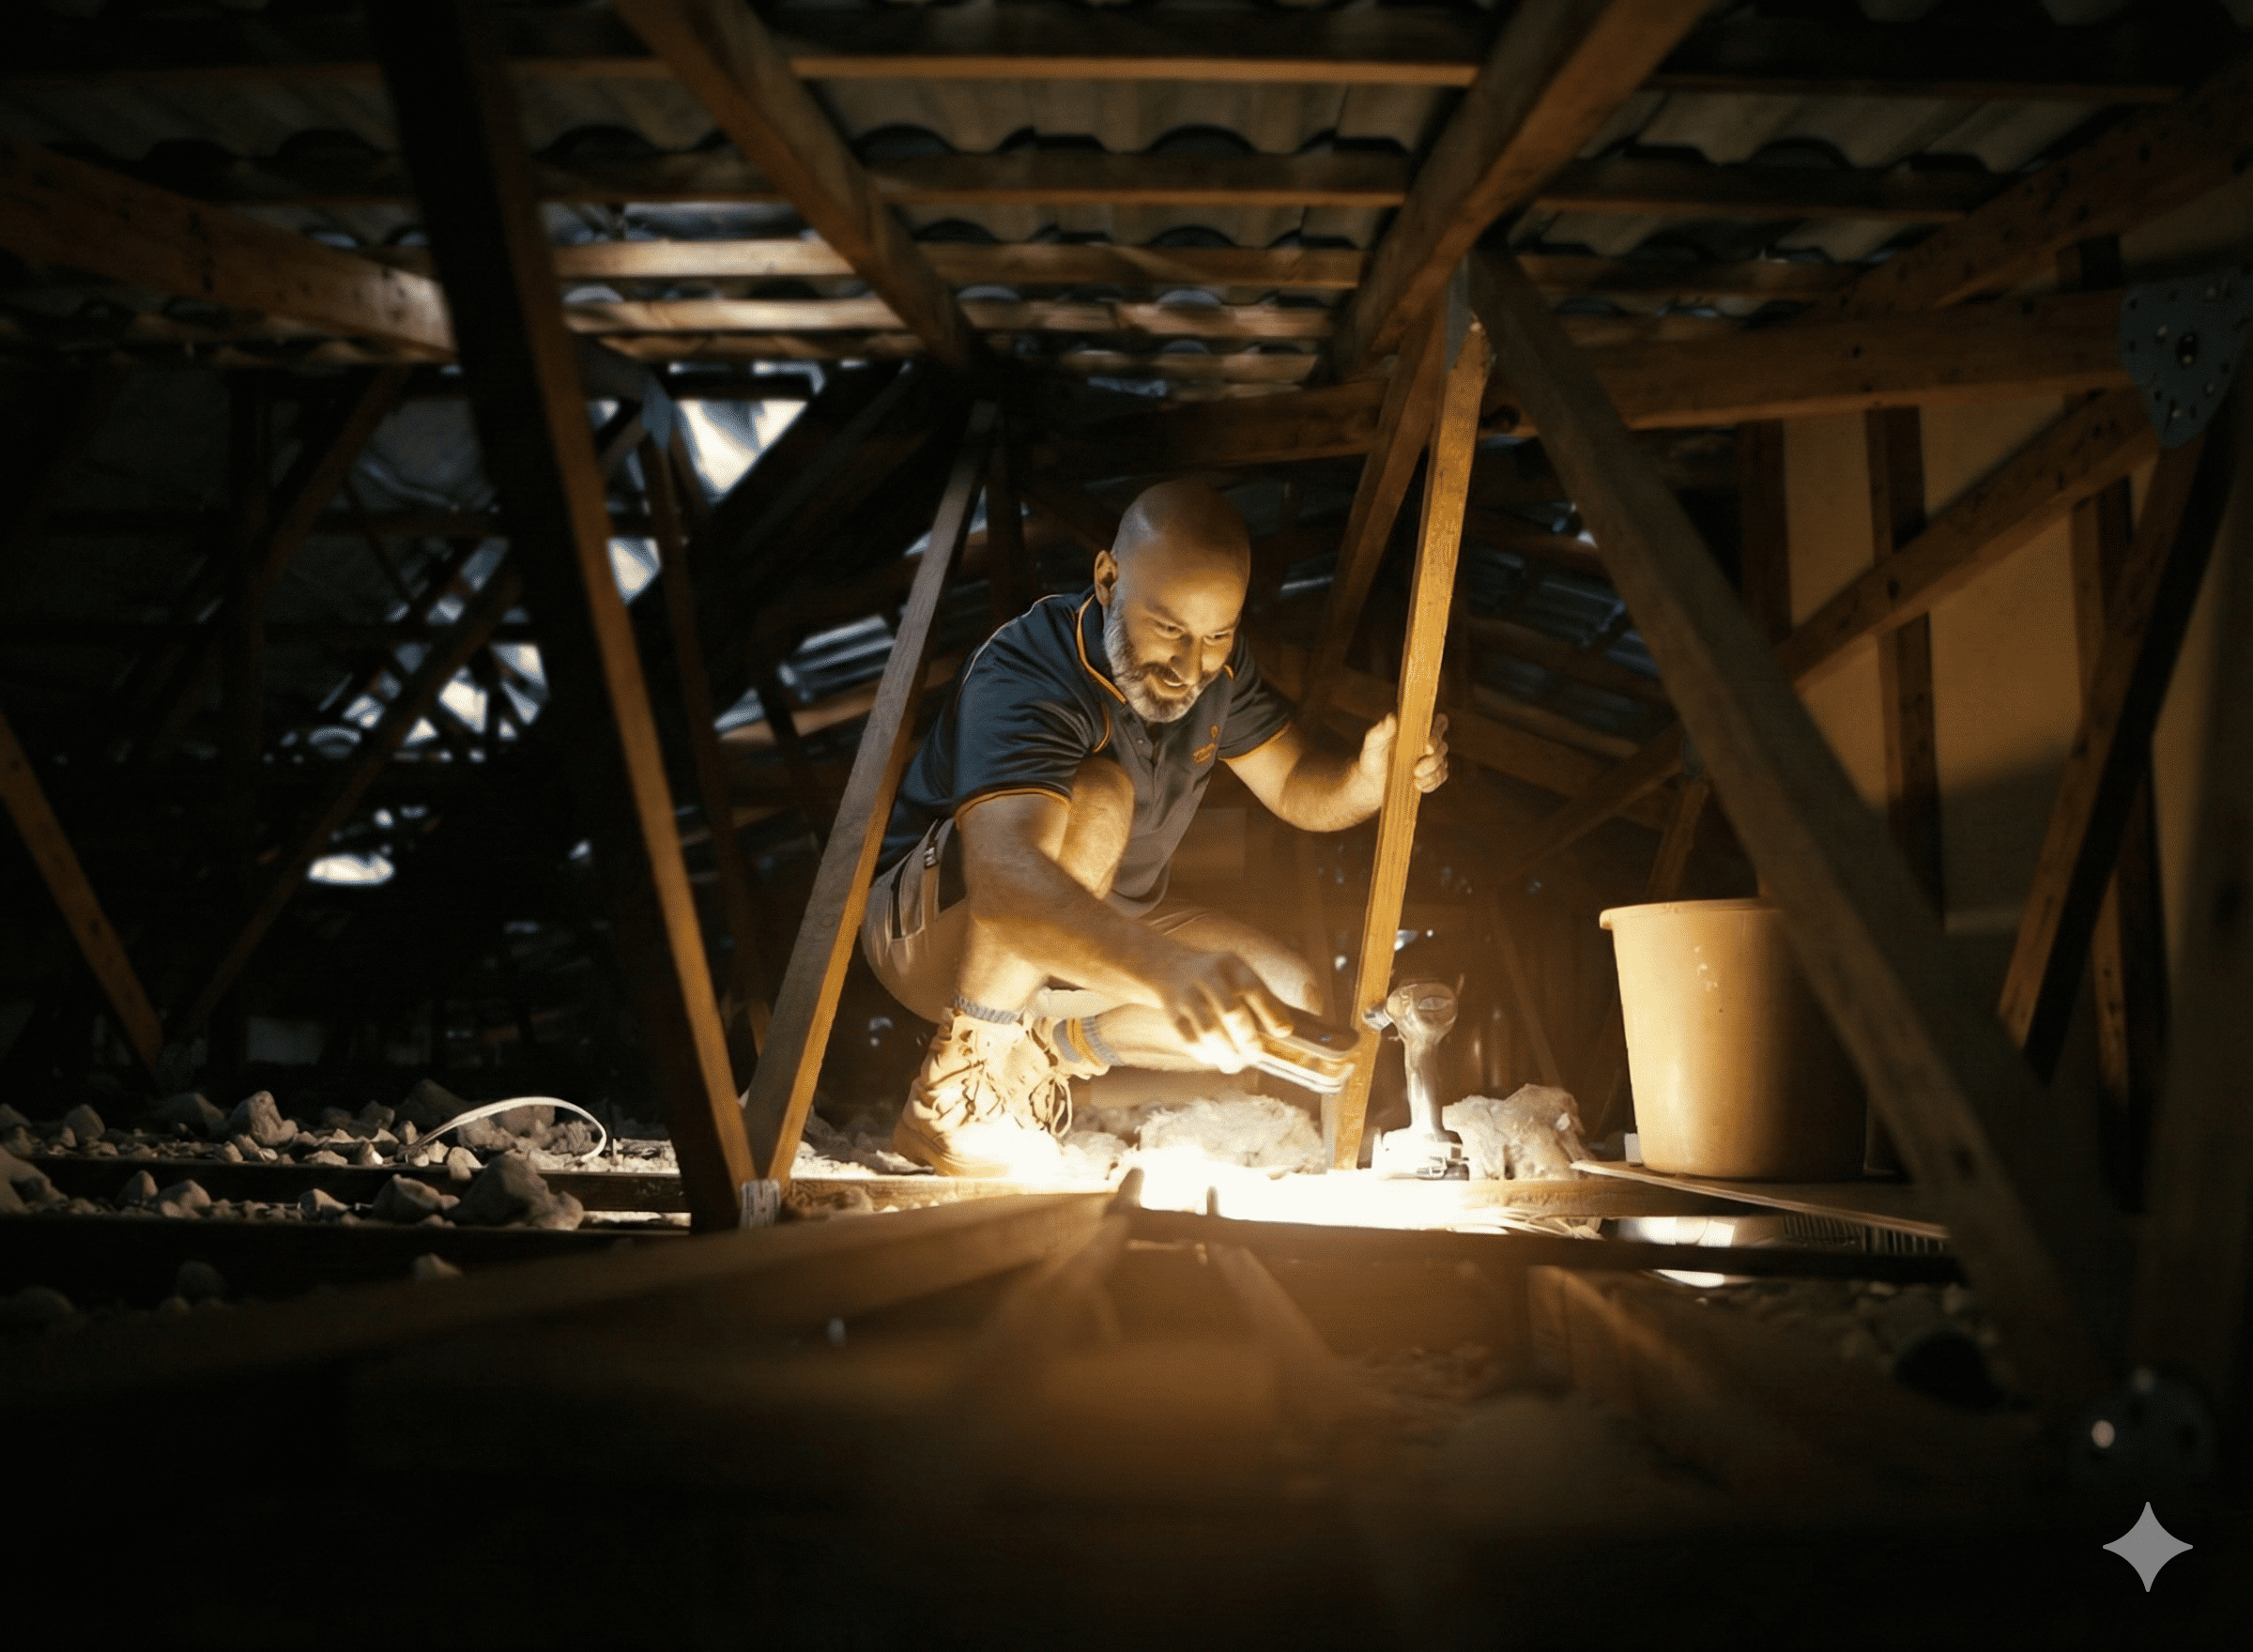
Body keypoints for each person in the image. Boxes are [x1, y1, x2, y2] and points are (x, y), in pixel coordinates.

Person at [861, 478, 1450, 1174]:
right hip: (936, 935)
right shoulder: (1029, 671)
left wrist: (1367, 780)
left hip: (1084, 925)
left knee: (1286, 999)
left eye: (1216, 635)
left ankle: (1045, 1050)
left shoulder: (1217, 668)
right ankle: (953, 1085)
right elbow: (1005, 883)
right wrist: (1165, 973)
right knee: (1103, 794)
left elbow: (1294, 784)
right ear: (1108, 578)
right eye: (1169, 629)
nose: (1191, 667)